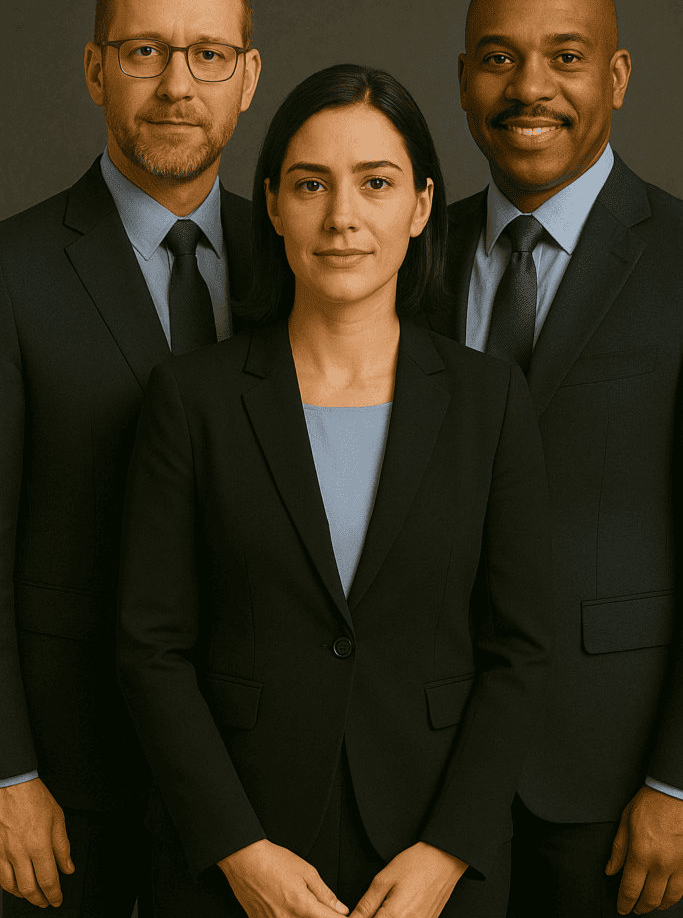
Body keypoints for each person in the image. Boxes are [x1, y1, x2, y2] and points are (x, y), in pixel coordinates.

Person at [117, 62, 554, 918]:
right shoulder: (191, 399)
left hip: (433, 862)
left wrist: (446, 852)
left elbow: (519, 650)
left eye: (375, 183)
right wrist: (239, 854)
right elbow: (151, 650)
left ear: (420, 206)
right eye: (311, 184)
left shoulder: (489, 399)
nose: (342, 217)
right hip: (238, 859)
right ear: (274, 203)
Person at [0, 0, 261, 916]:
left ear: (246, 76)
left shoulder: (292, 261)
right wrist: (5, 776)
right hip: (68, 785)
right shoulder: (13, 274)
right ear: (95, 68)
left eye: (207, 54)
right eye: (144, 50)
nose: (175, 84)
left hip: (253, 780)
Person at [426, 0, 683, 917]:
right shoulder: (405, 257)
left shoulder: (680, 261)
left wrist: (676, 785)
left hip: (616, 785)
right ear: (461, 81)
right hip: (427, 771)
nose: (528, 87)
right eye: (498, 57)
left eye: (564, 57)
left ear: (614, 77)